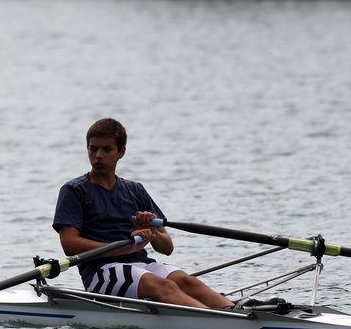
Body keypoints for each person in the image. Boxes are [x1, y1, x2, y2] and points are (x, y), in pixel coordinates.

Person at [52, 118, 233, 309]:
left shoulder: (135, 190)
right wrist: (123, 248)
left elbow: (167, 247)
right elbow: (69, 245)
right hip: (101, 272)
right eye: (93, 148)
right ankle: (226, 323)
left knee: (188, 282)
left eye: (106, 149)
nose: (98, 156)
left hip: (142, 265)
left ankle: (236, 312)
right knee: (163, 286)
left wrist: (150, 230)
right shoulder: (74, 190)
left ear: (121, 152)